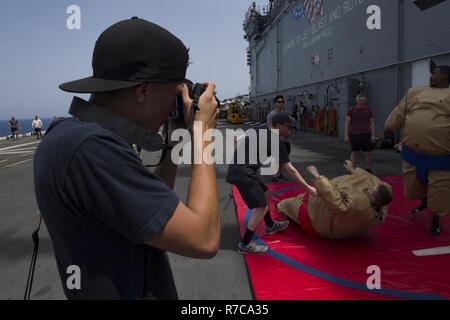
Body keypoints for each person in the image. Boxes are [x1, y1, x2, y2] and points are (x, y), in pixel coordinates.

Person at [34, 17, 220, 299]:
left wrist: (176, 139)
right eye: (172, 94)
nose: (173, 104)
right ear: (143, 90)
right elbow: (204, 239)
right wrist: (203, 133)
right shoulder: (91, 149)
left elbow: (152, 208)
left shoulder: (72, 135)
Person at [227, 112, 317, 254]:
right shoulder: (276, 142)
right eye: (288, 127)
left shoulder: (260, 129)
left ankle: (269, 225)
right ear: (278, 126)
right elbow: (290, 170)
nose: (290, 130)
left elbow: (240, 138)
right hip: (243, 173)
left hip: (241, 169)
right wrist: (307, 187)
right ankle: (244, 245)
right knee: (261, 208)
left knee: (266, 193)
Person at [380, 62, 450, 235]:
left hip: (440, 157)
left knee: (440, 193)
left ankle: (435, 220)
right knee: (414, 187)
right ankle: (423, 202)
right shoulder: (415, 92)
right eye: (432, 73)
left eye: (437, 73)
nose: (432, 75)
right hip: (413, 154)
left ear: (446, 76)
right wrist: (389, 126)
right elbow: (400, 111)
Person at [277, 161, 392, 239]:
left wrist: (317, 176)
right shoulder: (381, 207)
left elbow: (334, 198)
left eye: (372, 190)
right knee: (306, 197)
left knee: (284, 205)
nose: (369, 188)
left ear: (372, 198)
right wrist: (353, 170)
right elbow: (375, 181)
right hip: (332, 218)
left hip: (314, 216)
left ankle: (280, 207)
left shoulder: (356, 204)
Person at [344, 95, 376, 172]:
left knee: (368, 151)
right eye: (359, 101)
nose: (361, 102)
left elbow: (372, 123)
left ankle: (367, 168)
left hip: (366, 134)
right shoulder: (351, 110)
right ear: (356, 101)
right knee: (354, 151)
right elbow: (347, 123)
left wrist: (373, 135)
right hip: (354, 134)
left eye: (362, 101)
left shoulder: (368, 110)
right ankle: (353, 169)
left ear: (365, 101)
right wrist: (346, 136)